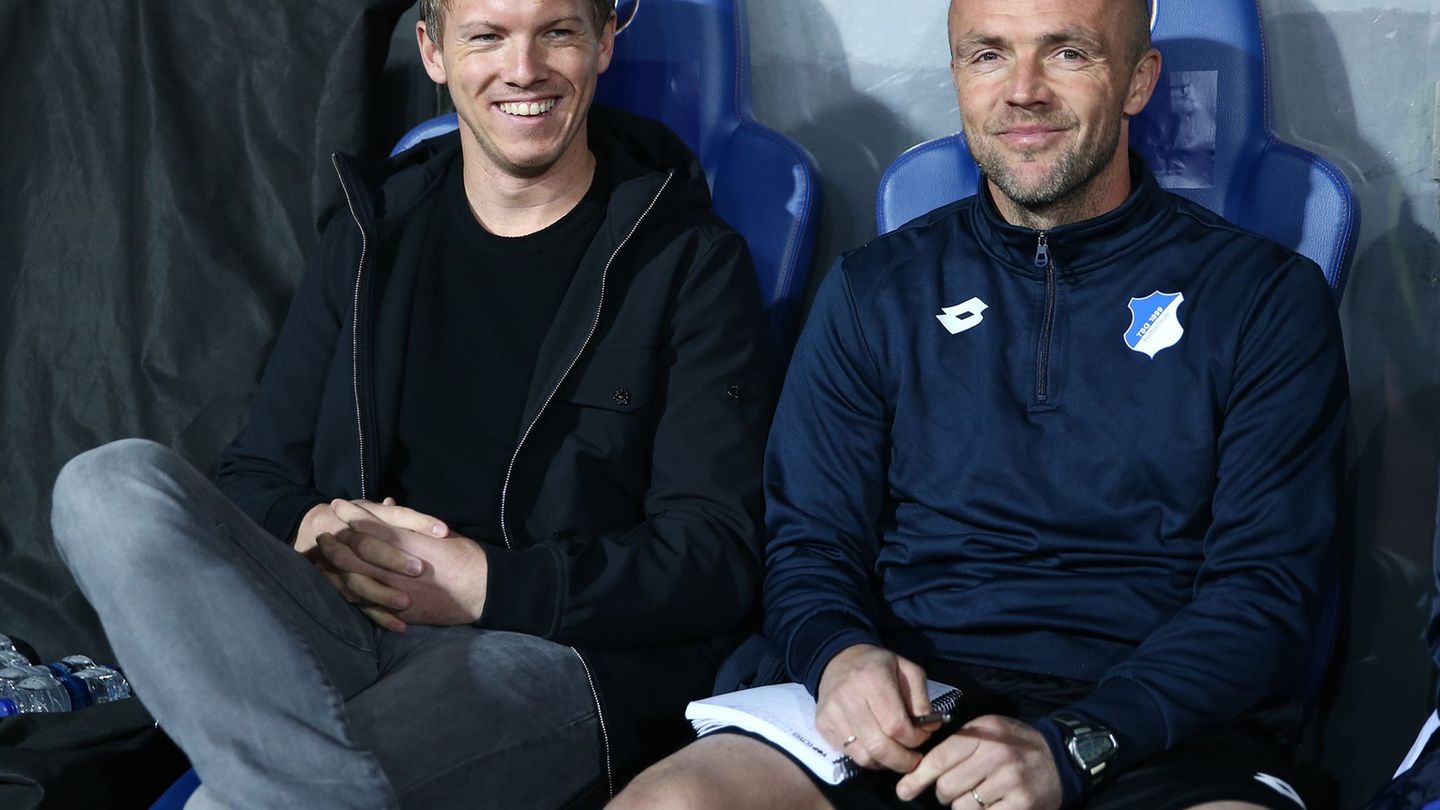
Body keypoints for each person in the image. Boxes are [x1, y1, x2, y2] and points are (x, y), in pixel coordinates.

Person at [610, 0, 1347, 808]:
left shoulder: (1264, 298)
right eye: (987, 55)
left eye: (1067, 54)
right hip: (909, 700)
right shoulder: (874, 290)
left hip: (1153, 723)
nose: (1021, 91)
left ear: (1138, 81)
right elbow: (808, 543)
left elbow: (1266, 593)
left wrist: (1075, 745)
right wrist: (838, 655)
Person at [49, 0, 772, 806]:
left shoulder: (690, 263)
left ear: (604, 42)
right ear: (433, 51)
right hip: (341, 610)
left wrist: (488, 584)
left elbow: (717, 555)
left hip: (546, 650)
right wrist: (314, 528)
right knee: (104, 484)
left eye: (557, 32)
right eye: (486, 36)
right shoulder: (370, 235)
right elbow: (256, 473)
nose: (523, 69)